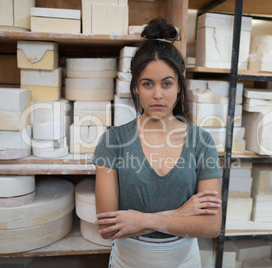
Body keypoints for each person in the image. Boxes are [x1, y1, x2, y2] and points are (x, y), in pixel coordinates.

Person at [92, 18, 222, 267]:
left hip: (184, 261)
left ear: (179, 88)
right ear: (136, 88)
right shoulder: (113, 141)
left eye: (167, 84)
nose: (158, 94)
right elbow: (109, 229)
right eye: (147, 84)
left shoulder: (201, 141)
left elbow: (211, 225)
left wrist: (143, 221)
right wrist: (181, 214)